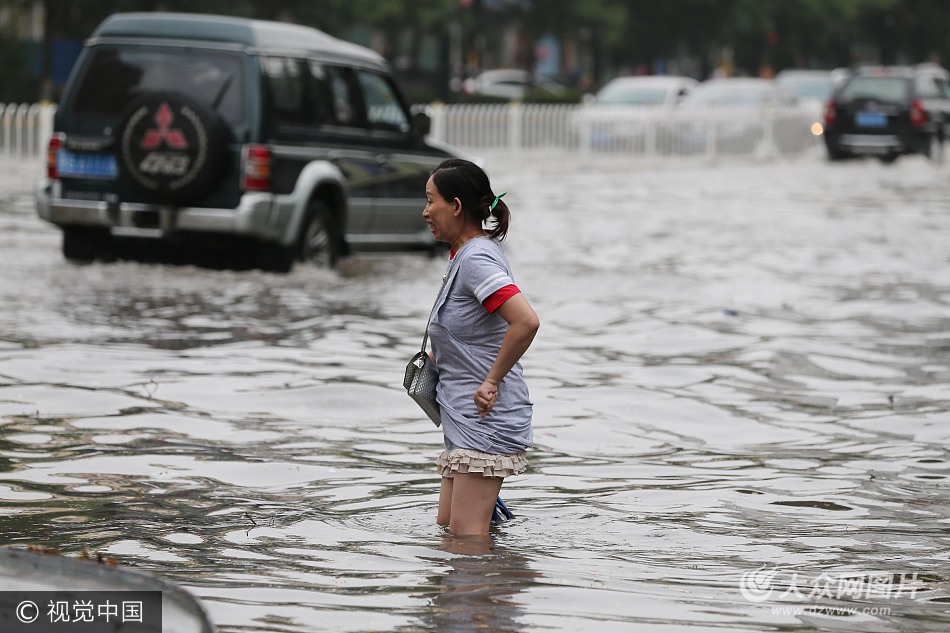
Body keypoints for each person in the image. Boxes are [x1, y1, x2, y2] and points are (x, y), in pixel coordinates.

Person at [422, 158, 540, 536]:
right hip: (464, 416)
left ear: (456, 206)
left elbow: (526, 321)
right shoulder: (464, 254)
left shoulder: (476, 259)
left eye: (430, 200)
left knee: (466, 543)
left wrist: (491, 381)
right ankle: (500, 578)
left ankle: (500, 586)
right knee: (448, 530)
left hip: (484, 419)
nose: (425, 211)